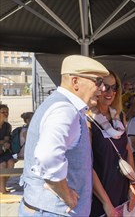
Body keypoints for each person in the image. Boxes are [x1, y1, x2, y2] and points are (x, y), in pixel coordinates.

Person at [18, 55, 109, 216]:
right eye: (98, 81)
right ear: (75, 82)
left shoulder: (62, 105)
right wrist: (65, 193)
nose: (103, 89)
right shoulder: (65, 109)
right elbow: (48, 157)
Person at [88, 72, 135, 216]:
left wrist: (133, 184)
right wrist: (106, 202)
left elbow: (127, 149)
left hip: (121, 186)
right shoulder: (88, 119)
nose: (110, 92)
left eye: (114, 87)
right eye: (105, 87)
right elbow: (87, 165)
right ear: (97, 88)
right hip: (100, 192)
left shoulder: (119, 116)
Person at [0, 104, 14, 194]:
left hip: (4, 150)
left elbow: (7, 138)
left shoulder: (7, 126)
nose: (6, 114)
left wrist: (6, 142)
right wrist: (3, 142)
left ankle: (2, 185)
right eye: (3, 112)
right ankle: (2, 189)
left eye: (7, 112)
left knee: (11, 163)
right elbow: (4, 140)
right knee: (2, 165)